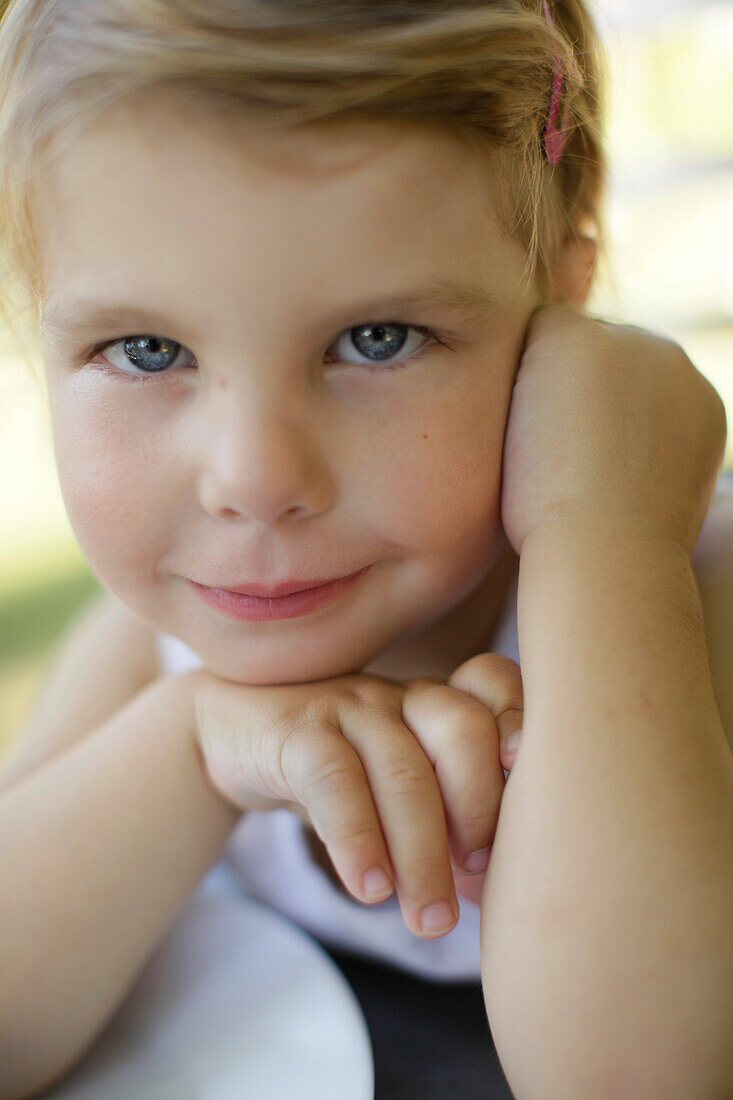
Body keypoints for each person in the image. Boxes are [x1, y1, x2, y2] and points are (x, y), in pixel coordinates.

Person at [1, 1, 732, 1097]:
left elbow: (632, 1073)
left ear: (561, 315)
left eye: (374, 339)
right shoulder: (148, 661)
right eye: (147, 349)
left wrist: (602, 537)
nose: (251, 477)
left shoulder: (686, 594)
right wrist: (198, 742)